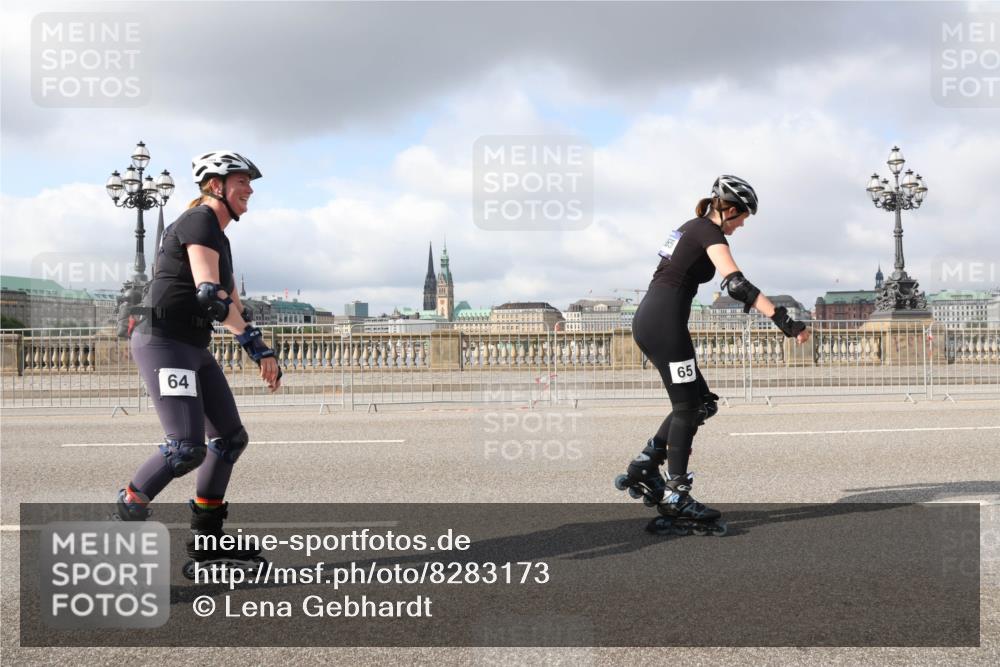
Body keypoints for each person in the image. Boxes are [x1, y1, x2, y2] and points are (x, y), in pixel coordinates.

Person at [114, 150, 282, 567]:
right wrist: (258, 349)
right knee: (185, 448)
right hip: (164, 343)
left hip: (191, 347)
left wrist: (261, 350)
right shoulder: (200, 221)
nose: (250, 189)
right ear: (215, 185)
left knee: (229, 440)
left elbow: (232, 307)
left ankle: (207, 544)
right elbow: (210, 296)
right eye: (242, 181)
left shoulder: (220, 238)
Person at [615, 175, 809, 534]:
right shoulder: (708, 232)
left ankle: (645, 464)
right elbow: (736, 283)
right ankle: (676, 494)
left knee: (701, 403)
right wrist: (785, 321)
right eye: (742, 219)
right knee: (688, 408)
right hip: (664, 323)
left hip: (654, 318)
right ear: (730, 210)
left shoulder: (690, 227)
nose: (742, 226)